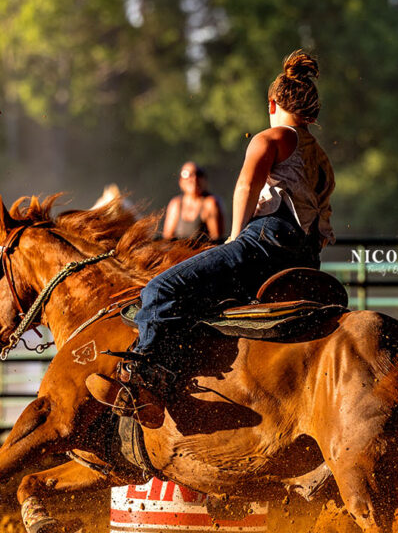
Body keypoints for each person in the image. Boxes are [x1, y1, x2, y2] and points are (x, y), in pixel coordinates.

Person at [116, 49, 335, 411]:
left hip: (266, 241)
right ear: (311, 112)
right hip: (305, 256)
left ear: (272, 103)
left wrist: (235, 236)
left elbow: (246, 186)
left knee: (160, 287)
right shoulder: (320, 155)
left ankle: (146, 379)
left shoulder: (270, 138)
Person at [162, 163, 225, 242]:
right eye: (187, 175)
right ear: (180, 181)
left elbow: (217, 239)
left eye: (198, 174)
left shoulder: (210, 204)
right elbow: (167, 237)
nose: (194, 179)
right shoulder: (175, 204)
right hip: (179, 252)